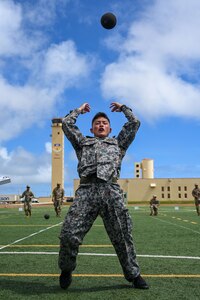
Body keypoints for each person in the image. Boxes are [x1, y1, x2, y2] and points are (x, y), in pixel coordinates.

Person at [58, 102, 149, 290]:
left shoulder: (118, 143)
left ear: (110, 128)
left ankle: (134, 275)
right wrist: (78, 111)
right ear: (91, 128)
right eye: (97, 123)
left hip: (111, 192)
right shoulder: (82, 143)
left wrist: (124, 108)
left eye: (104, 123)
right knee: (68, 234)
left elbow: (134, 123)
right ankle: (66, 269)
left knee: (123, 236)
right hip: (87, 192)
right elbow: (66, 124)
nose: (101, 125)